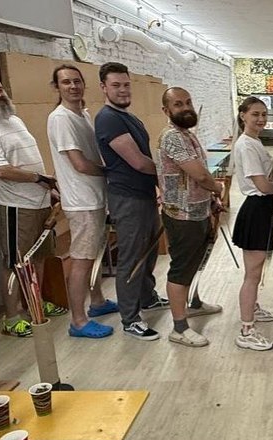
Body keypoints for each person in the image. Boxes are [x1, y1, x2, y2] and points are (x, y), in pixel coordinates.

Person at [0, 75, 58, 338]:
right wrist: (40, 179)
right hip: (14, 206)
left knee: (38, 258)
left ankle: (35, 305)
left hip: (40, 202)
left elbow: (29, 160)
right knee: (15, 263)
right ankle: (12, 318)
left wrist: (48, 188)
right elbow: (0, 170)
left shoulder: (14, 120)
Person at [94, 62, 166, 341]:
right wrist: (169, 174)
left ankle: (147, 298)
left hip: (143, 195)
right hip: (128, 198)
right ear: (104, 87)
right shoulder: (108, 119)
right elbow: (137, 161)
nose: (123, 90)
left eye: (126, 84)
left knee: (148, 252)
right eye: (116, 85)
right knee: (132, 258)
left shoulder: (128, 116)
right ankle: (130, 318)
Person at [46, 64, 116, 339]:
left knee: (94, 254)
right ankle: (78, 320)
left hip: (95, 197)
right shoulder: (60, 119)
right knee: (82, 260)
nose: (73, 86)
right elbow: (80, 164)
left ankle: (97, 302)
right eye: (66, 82)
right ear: (57, 87)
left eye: (77, 81)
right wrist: (114, 172)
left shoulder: (83, 114)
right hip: (81, 201)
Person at [156, 87, 224, 347]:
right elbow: (201, 175)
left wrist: (211, 199)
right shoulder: (173, 137)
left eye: (188, 102)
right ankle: (179, 328)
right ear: (166, 110)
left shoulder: (186, 134)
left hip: (197, 211)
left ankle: (193, 303)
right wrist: (217, 188)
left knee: (194, 263)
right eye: (178, 104)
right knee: (181, 269)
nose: (185, 108)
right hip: (181, 215)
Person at [230, 96, 273, 351]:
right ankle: (246, 330)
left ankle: (253, 308)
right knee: (252, 274)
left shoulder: (254, 141)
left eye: (264, 114)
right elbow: (262, 185)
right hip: (256, 207)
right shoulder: (247, 145)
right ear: (243, 116)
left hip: (261, 208)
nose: (261, 119)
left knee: (256, 270)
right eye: (255, 114)